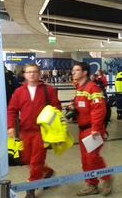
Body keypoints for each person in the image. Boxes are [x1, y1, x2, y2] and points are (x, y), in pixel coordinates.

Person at [7, 64, 60, 198]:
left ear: (39, 74)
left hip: (42, 131)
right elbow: (12, 110)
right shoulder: (19, 91)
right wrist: (11, 126)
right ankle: (47, 172)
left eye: (35, 72)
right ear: (24, 74)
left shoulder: (48, 90)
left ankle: (31, 186)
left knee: (36, 159)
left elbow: (57, 108)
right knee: (26, 158)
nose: (32, 74)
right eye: (29, 72)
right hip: (25, 131)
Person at [71, 62, 113, 196]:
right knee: (85, 159)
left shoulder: (92, 88)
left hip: (93, 130)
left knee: (92, 157)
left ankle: (107, 179)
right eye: (73, 70)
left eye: (77, 70)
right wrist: (74, 107)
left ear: (85, 73)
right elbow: (83, 104)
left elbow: (99, 109)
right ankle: (91, 184)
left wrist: (96, 128)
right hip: (82, 129)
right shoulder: (79, 87)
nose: (73, 72)